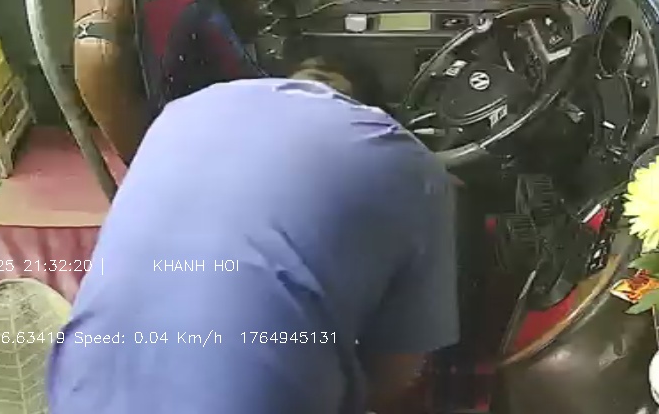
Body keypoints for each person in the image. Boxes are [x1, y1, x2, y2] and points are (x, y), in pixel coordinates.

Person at [47, 57, 459, 414]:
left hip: (74, 398)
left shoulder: (181, 113)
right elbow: (395, 377)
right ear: (372, 109)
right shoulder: (407, 161)